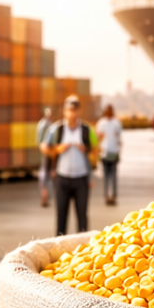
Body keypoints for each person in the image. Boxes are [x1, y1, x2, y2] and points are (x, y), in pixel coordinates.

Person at [46, 95, 98, 237]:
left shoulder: (87, 130)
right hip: (62, 177)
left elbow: (96, 149)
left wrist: (86, 149)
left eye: (75, 110)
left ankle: (85, 249)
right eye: (69, 110)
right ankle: (59, 247)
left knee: (82, 215)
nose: (72, 113)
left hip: (81, 178)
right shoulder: (56, 129)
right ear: (65, 111)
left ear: (79, 111)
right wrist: (58, 149)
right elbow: (46, 148)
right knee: (61, 215)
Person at [96, 104, 123, 206]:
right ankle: (108, 196)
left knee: (112, 176)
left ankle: (112, 196)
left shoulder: (115, 123)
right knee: (107, 177)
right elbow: (98, 138)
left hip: (112, 152)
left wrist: (119, 150)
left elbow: (119, 138)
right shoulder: (103, 123)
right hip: (106, 153)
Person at [36, 107, 53, 207]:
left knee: (44, 173)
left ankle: (44, 194)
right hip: (48, 151)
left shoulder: (42, 124)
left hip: (45, 151)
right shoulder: (49, 124)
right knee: (47, 174)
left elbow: (38, 140)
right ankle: (45, 194)